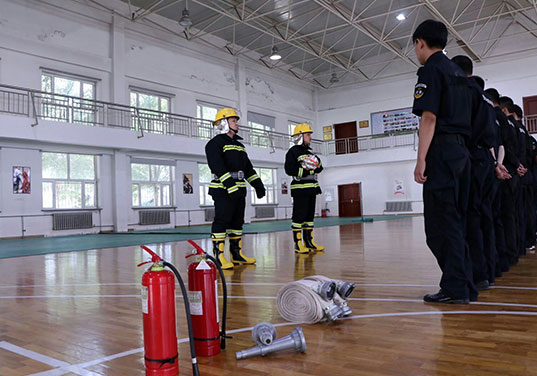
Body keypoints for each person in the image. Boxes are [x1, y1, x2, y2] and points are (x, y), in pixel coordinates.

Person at [411, 19, 476, 304]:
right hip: (463, 155)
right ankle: (464, 284)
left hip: (443, 156)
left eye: (415, 47)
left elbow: (429, 117)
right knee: (457, 222)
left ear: (420, 43)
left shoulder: (432, 70)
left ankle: (455, 288)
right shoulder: (459, 74)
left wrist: (420, 159)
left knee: (439, 227)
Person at [451, 56, 496, 290]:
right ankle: (488, 269)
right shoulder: (485, 96)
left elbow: (466, 127)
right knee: (484, 217)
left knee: (471, 219)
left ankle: (478, 274)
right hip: (486, 159)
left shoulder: (466, 92)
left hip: (473, 158)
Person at [205, 108, 266, 269]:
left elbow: (248, 169)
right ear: (224, 123)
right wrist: (230, 186)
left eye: (236, 120)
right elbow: (217, 166)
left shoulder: (239, 146)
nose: (237, 123)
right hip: (222, 189)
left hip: (239, 190)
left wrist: (258, 186)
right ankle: (219, 256)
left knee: (237, 222)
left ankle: (236, 255)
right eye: (234, 120)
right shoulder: (214, 144)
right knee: (222, 221)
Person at [285, 123, 324, 253]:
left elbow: (320, 167)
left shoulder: (310, 152)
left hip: (312, 188)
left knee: (309, 217)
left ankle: (309, 242)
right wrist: (307, 170)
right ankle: (298, 244)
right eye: (308, 135)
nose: (310, 137)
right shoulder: (293, 152)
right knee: (299, 216)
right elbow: (289, 169)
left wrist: (313, 167)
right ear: (300, 136)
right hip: (300, 189)